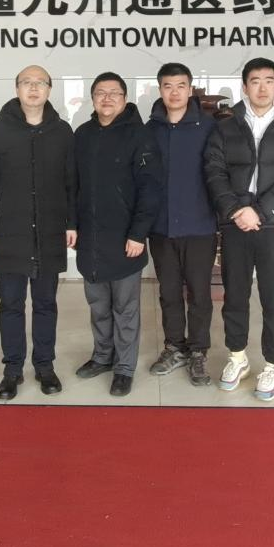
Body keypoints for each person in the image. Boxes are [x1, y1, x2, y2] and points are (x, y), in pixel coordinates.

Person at [204, 57, 274, 401]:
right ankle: (237, 357)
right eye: (255, 81)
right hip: (236, 222)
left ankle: (272, 364)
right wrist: (236, 210)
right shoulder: (226, 126)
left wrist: (261, 211)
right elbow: (214, 171)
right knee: (235, 295)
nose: (262, 88)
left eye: (268, 81)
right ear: (244, 86)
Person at [0, 65, 76, 400]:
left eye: (40, 83)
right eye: (27, 83)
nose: (33, 88)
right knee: (11, 305)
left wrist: (72, 222)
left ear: (49, 89)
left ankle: (45, 366)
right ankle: (12, 370)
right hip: (8, 233)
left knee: (46, 304)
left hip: (49, 232)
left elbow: (71, 182)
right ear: (17, 89)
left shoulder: (62, 131)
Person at [73, 72, 161, 397]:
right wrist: (72, 225)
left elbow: (150, 189)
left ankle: (124, 367)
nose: (107, 98)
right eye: (101, 92)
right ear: (92, 98)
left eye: (114, 93)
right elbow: (72, 184)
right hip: (90, 240)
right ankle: (102, 356)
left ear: (125, 98)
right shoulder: (82, 135)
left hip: (126, 240)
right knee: (98, 305)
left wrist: (138, 234)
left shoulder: (140, 135)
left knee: (125, 308)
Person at [146, 62, 218, 386]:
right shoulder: (150, 129)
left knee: (200, 293)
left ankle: (198, 351)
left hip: (200, 225)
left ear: (190, 89)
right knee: (169, 292)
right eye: (168, 86)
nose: (174, 92)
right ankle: (174, 346)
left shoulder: (209, 127)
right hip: (161, 227)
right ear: (160, 89)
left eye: (180, 86)